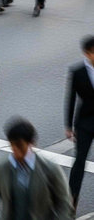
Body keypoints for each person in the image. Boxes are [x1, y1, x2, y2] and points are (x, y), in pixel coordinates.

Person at [0, 117, 74, 219]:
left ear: (31, 143)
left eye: (20, 146)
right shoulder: (1, 168)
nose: (15, 150)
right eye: (12, 145)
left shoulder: (50, 169)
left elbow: (64, 203)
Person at [65, 35, 94, 211]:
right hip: (84, 122)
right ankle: (72, 199)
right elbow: (70, 99)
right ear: (87, 53)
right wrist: (68, 126)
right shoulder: (77, 72)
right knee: (79, 161)